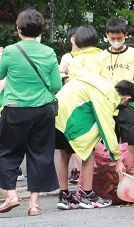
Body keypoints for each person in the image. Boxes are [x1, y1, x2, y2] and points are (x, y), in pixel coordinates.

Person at [0, 8, 62, 217]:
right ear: (40, 31)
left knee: (6, 151)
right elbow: (56, 84)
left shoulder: (11, 51)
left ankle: (12, 195)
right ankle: (34, 205)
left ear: (19, 29)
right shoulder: (48, 52)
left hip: (15, 111)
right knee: (40, 154)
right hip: (43, 111)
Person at [55, 60, 126, 210]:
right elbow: (106, 127)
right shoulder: (106, 95)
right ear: (126, 98)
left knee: (64, 156)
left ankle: (64, 196)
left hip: (55, 114)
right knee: (88, 153)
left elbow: (75, 69)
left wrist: (68, 66)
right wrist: (117, 158)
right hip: (70, 118)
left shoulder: (94, 79)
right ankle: (87, 196)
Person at [96, 18, 134, 178]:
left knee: (133, 143)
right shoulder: (101, 57)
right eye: (112, 38)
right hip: (108, 106)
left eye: (119, 38)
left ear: (126, 35)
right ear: (107, 35)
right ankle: (111, 179)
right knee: (108, 145)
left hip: (128, 104)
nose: (116, 41)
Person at [57, 27, 82, 184]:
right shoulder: (68, 56)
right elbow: (60, 73)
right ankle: (76, 169)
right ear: (72, 39)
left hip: (82, 99)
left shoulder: (89, 56)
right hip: (70, 100)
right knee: (70, 136)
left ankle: (80, 170)